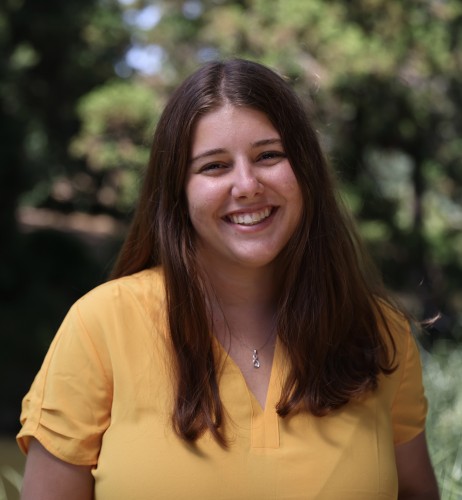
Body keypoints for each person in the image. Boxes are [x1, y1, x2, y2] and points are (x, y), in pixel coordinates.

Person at [17, 58, 439, 499]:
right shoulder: (100, 325)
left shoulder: (378, 330)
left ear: (307, 170)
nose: (247, 185)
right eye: (214, 166)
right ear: (177, 191)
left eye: (269, 156)